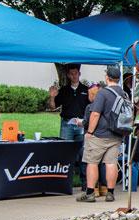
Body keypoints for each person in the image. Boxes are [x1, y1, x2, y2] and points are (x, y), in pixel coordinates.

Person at [79, 66, 126, 203]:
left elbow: (95, 114)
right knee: (111, 163)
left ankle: (90, 193)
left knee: (92, 163)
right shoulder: (124, 94)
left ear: (107, 78)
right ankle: (110, 193)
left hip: (99, 134)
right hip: (116, 134)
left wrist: (90, 132)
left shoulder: (103, 93)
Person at [49, 64, 89, 182]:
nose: (74, 76)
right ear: (68, 75)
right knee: (65, 152)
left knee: (84, 153)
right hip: (67, 124)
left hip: (82, 124)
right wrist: (52, 97)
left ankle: (85, 181)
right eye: (71, 74)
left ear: (79, 74)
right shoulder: (64, 90)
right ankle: (65, 180)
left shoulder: (86, 90)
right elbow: (53, 107)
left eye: (75, 73)